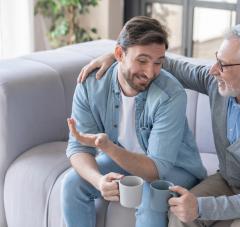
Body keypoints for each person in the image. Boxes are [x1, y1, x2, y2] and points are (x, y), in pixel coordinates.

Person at [78, 23, 240, 227]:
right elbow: (167, 63)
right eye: (216, 59)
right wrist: (118, 56)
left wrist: (201, 207)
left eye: (223, 64)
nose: (213, 70)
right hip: (228, 179)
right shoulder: (218, 83)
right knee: (179, 213)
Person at [62, 16, 207, 227]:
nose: (150, 72)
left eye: (158, 63)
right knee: (72, 183)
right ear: (119, 54)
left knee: (150, 194)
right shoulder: (91, 84)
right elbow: (77, 149)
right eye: (142, 60)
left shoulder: (171, 94)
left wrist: (108, 148)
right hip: (124, 160)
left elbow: (157, 169)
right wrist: (98, 180)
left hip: (175, 167)